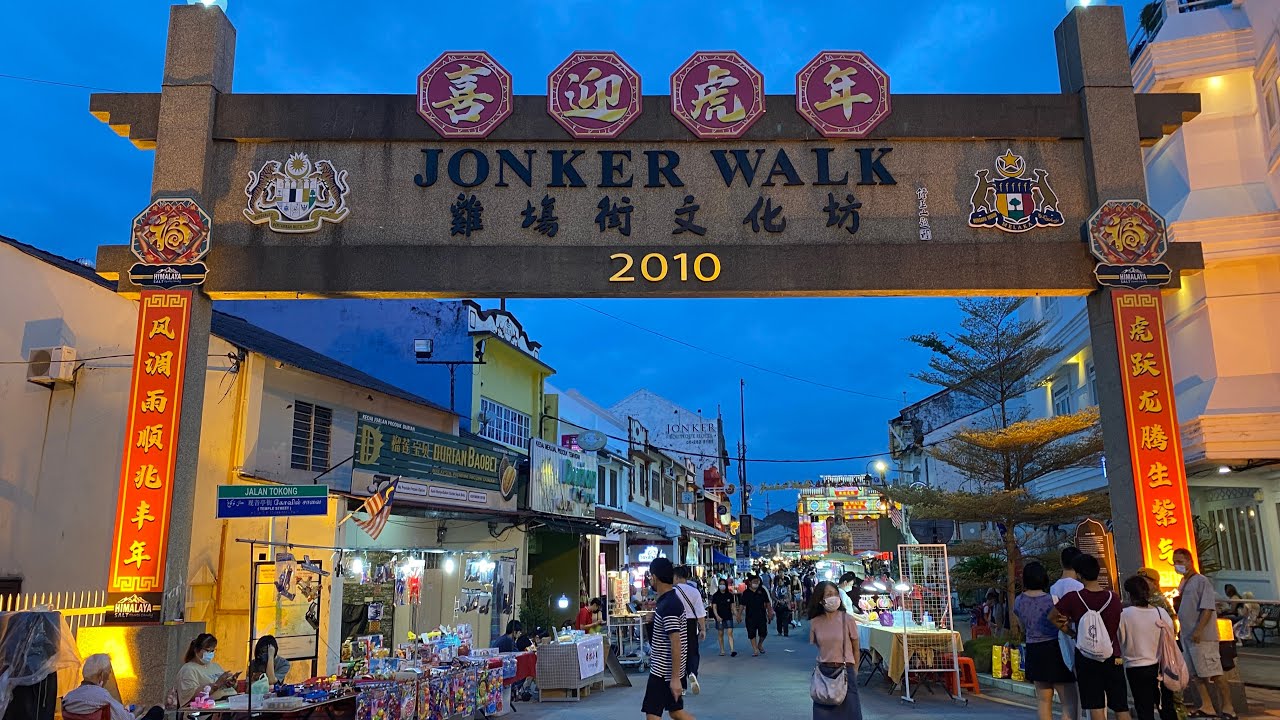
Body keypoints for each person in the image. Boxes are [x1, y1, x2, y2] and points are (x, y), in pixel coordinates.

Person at [1050, 554, 1130, 720]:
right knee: (1121, 706)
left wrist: (1071, 633)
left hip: (1086, 657)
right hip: (1112, 656)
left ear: (1079, 575)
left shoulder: (1073, 598)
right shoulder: (1113, 598)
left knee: (1095, 706)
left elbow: (1052, 617)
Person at [1173, 548, 1236, 720]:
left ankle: (1228, 707)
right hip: (1187, 636)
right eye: (1175, 562)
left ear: (1189, 561)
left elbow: (1208, 608)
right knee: (1195, 674)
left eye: (1180, 561)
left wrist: (1199, 630)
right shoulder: (1183, 582)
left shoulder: (1201, 581)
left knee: (1214, 672)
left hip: (1203, 637)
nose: (1177, 565)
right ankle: (1206, 706)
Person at [1013, 562, 1079, 720]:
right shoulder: (1053, 600)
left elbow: (1022, 626)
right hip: (1055, 649)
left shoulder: (1019, 601)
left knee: (1043, 701)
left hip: (1034, 650)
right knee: (1068, 702)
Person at [1118, 575, 1177, 720]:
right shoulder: (1160, 612)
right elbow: (1171, 633)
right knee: (1167, 707)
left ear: (1129, 594)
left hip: (1136, 667)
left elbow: (1121, 639)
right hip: (1160, 666)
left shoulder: (1125, 615)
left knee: (1144, 709)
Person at [642, 558, 693, 720]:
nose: (650, 580)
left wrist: (675, 678)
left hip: (663, 671)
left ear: (655, 577)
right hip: (667, 670)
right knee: (676, 712)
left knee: (653, 715)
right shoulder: (667, 601)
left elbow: (676, 643)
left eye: (650, 576)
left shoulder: (669, 605)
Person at [808, 580, 864, 720]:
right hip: (823, 673)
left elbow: (856, 648)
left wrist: (855, 670)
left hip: (846, 671)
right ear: (821, 600)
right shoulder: (815, 622)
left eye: (835, 593)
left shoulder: (848, 619)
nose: (833, 597)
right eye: (828, 594)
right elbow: (819, 645)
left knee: (850, 714)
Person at [62, 654, 164, 720]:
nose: (108, 678)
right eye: (109, 673)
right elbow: (126, 719)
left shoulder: (68, 698)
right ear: (102, 675)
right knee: (157, 710)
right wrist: (137, 711)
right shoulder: (102, 696)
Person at [176, 632, 239, 706]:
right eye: (207, 651)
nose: (210, 654)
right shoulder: (188, 669)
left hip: (231, 702)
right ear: (196, 650)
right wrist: (217, 684)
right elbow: (190, 696)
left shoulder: (215, 666)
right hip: (211, 709)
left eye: (212, 651)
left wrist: (230, 683)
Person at [673, 565, 707, 695]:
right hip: (691, 624)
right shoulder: (694, 591)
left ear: (676, 577)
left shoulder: (672, 591)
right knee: (692, 651)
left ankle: (682, 687)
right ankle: (692, 673)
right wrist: (702, 629)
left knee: (679, 654)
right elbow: (700, 613)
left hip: (676, 624)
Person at [740, 574, 773, 657]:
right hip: (750, 616)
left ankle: (760, 644)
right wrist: (739, 615)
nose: (756, 583)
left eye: (757, 582)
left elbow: (768, 603)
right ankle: (755, 649)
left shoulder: (762, 590)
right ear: (750, 582)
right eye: (754, 582)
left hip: (761, 615)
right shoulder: (746, 593)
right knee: (752, 633)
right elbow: (742, 605)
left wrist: (770, 612)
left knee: (763, 633)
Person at [709, 578, 738, 657]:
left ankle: (732, 650)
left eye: (723, 584)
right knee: (720, 633)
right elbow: (714, 607)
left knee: (730, 633)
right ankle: (722, 650)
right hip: (719, 617)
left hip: (728, 616)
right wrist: (717, 616)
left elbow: (733, 607)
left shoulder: (730, 595)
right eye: (721, 584)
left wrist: (737, 615)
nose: (722, 586)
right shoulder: (716, 596)